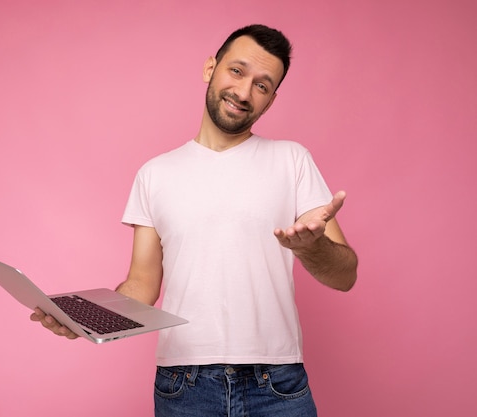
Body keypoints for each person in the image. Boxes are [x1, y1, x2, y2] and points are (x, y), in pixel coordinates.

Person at [31, 24, 358, 416]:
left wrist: (313, 248)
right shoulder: (155, 174)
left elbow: (345, 276)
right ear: (210, 68)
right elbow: (142, 286)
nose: (243, 91)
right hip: (184, 387)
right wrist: (83, 318)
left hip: (277, 384)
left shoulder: (293, 160)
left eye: (262, 85)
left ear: (271, 100)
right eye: (237, 71)